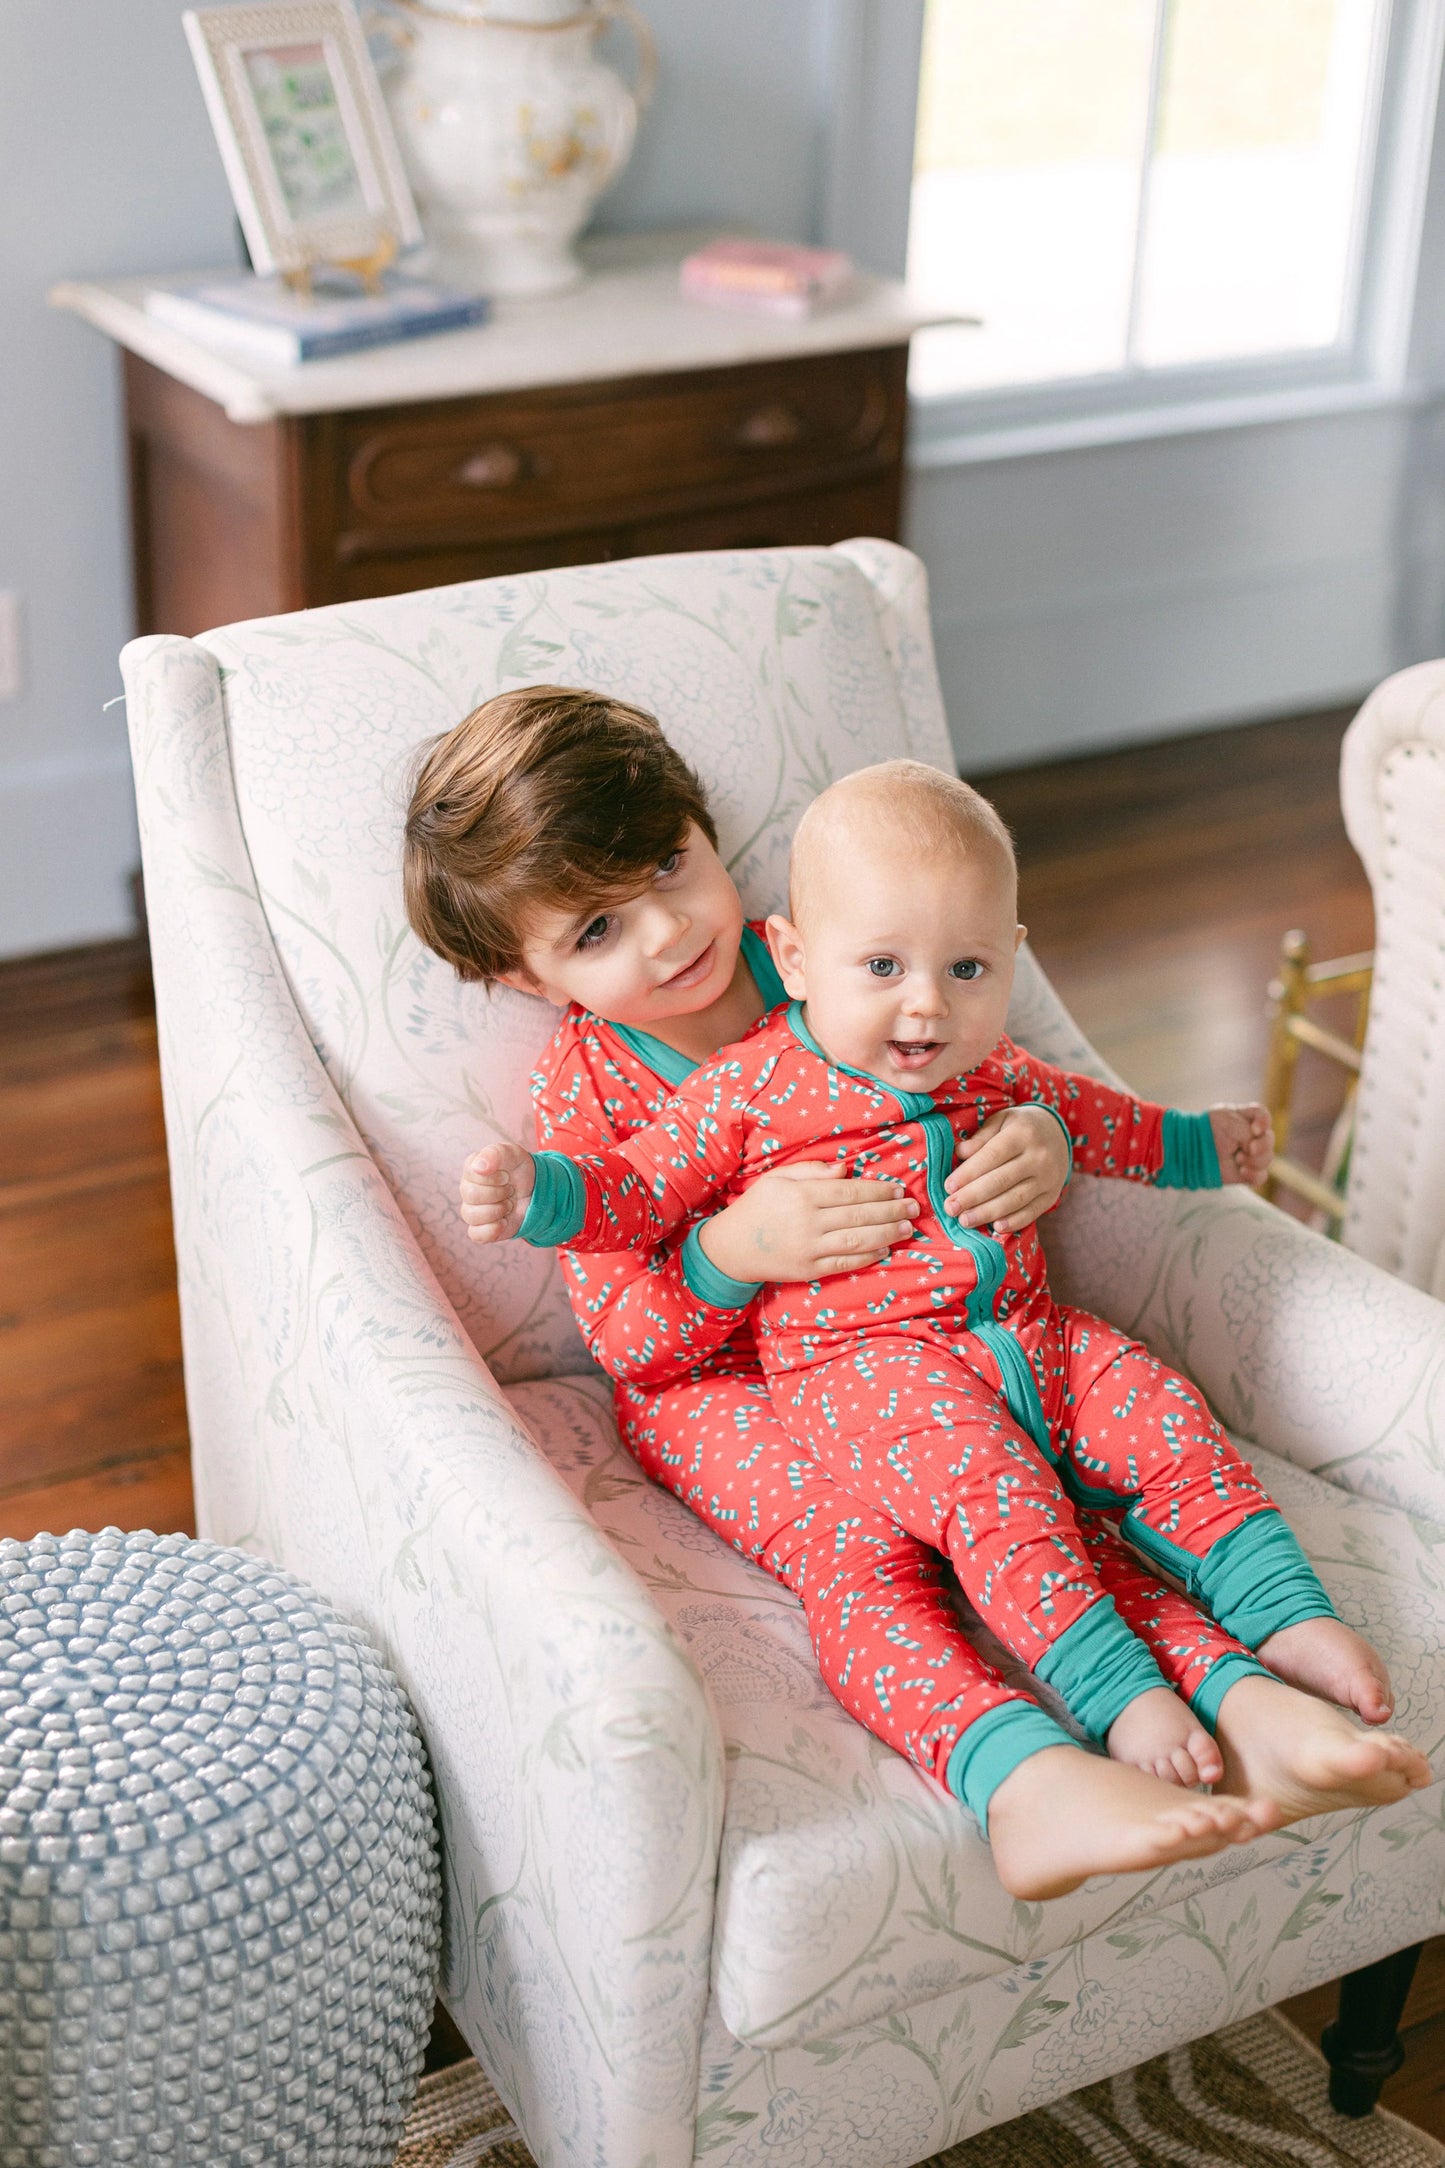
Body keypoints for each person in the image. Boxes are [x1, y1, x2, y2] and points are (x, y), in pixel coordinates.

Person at [408, 693, 1425, 1898]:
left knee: (1058, 1459)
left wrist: (1041, 1138)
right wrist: (737, 1245)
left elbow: (1008, 1069)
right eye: (595, 930)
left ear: (700, 827)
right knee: (880, 1543)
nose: (667, 930)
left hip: (945, 1335)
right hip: (721, 1389)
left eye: (672, 864)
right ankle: (1022, 1773)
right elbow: (632, 1343)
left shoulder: (849, 936)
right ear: (521, 973)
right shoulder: (589, 1092)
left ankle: (1238, 1689)